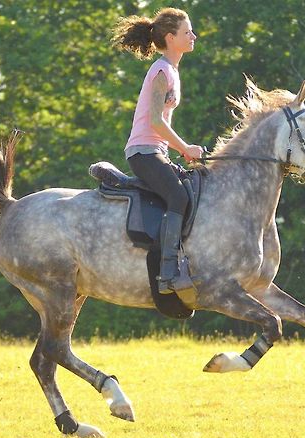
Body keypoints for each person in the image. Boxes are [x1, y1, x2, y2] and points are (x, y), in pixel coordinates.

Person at [112, 7, 203, 299]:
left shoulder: (172, 70)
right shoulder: (162, 71)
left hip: (157, 151)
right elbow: (154, 121)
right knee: (178, 196)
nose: (194, 36)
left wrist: (180, 150)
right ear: (170, 37)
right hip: (143, 152)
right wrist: (185, 148)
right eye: (187, 32)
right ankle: (167, 274)